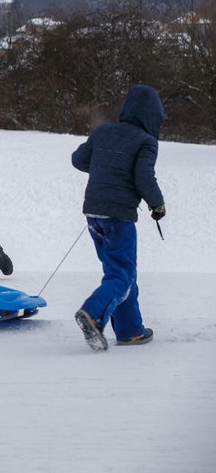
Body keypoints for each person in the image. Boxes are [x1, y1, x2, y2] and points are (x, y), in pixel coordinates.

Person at [71, 84, 165, 351]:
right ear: (153, 116)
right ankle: (92, 313)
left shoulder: (103, 131)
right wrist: (157, 205)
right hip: (118, 217)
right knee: (122, 274)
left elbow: (79, 160)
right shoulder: (146, 141)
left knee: (118, 272)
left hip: (93, 213)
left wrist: (105, 168)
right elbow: (144, 177)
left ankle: (130, 330)